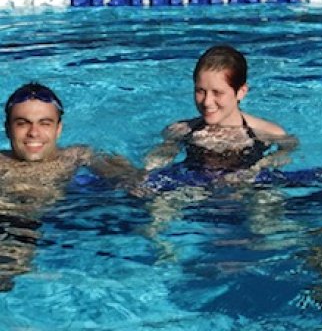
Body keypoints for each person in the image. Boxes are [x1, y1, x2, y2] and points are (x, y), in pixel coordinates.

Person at [0, 81, 143, 291]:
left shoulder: (76, 156)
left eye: (45, 123)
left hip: (63, 217)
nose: (34, 132)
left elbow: (126, 176)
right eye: (22, 123)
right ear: (7, 128)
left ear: (59, 129)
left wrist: (130, 181)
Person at [144, 44, 297, 181]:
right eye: (200, 91)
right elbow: (155, 165)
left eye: (217, 92)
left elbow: (288, 151)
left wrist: (258, 168)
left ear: (241, 92)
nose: (207, 102)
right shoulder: (180, 131)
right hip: (195, 191)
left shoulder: (268, 133)